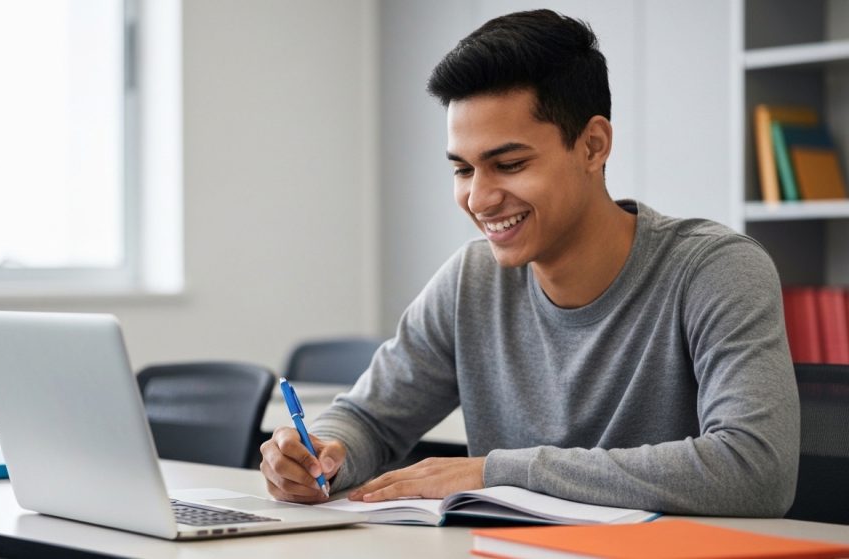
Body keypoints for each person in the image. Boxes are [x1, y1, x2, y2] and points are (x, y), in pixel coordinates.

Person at [259, 9, 799, 516]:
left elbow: (755, 469)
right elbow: (368, 418)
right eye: (463, 170)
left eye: (510, 164)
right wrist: (323, 453)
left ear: (593, 146)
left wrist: (496, 472)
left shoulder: (715, 270)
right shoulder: (470, 282)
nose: (479, 198)